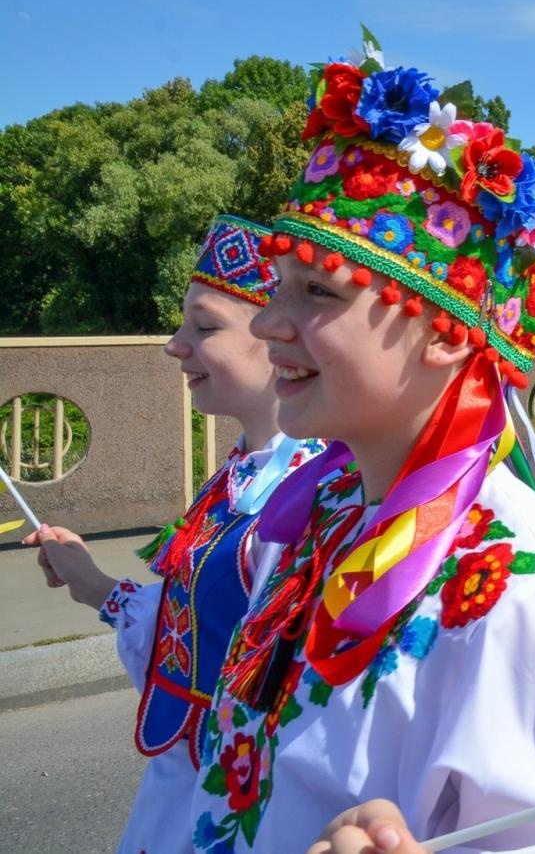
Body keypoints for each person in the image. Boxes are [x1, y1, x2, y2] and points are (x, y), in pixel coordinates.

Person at [190, 44, 535, 852]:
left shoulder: (511, 591)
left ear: (441, 333)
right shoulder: (321, 511)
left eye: (317, 291)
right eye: (274, 287)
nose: (265, 324)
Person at [26, 216, 323, 854]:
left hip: (248, 807)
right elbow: (197, 632)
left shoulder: (313, 495)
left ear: (278, 338)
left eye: (205, 327)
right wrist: (96, 586)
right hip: (193, 786)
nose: (175, 346)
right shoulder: (241, 475)